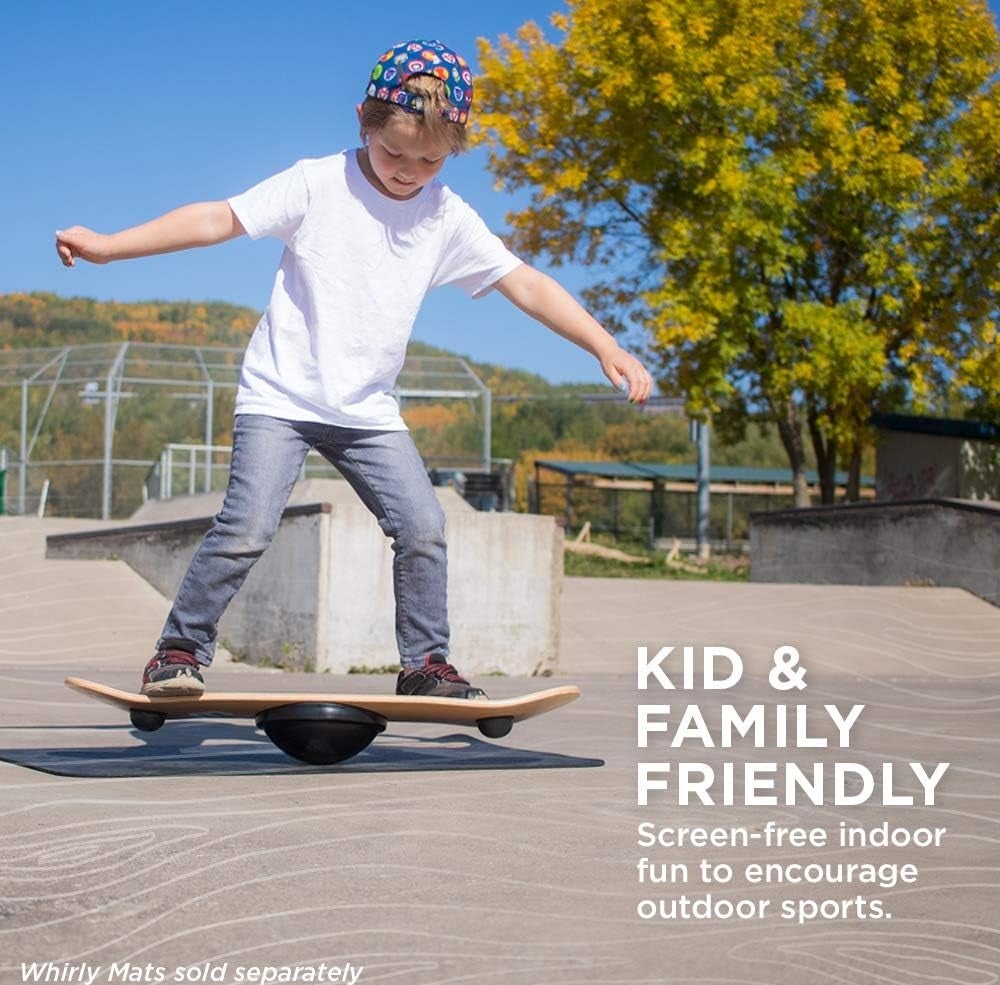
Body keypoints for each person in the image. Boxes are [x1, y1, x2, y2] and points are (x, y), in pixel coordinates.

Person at [55, 38, 655, 700]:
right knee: (248, 527)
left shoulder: (447, 217)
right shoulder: (317, 182)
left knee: (424, 528)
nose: (407, 171)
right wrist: (112, 247)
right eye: (393, 151)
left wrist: (605, 345)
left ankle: (425, 665)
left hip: (367, 410)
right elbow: (217, 218)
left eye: (428, 161)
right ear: (364, 123)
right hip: (280, 398)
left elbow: (526, 285)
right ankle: (178, 651)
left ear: (451, 151)